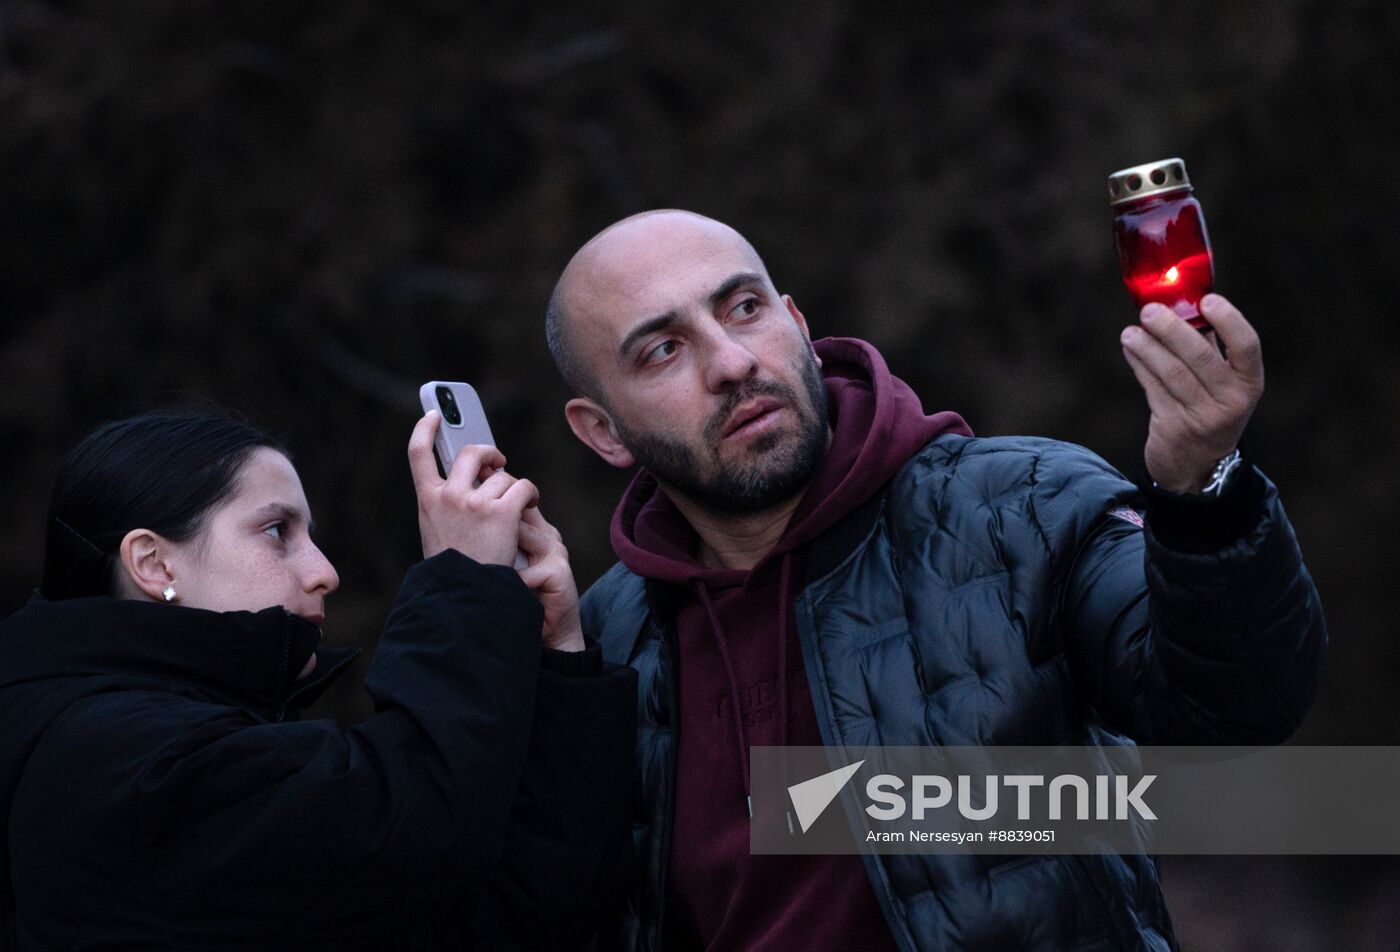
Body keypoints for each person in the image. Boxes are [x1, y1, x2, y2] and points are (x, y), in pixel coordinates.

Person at [544, 209, 1327, 951]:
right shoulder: (609, 640)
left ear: (798, 325)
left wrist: (1206, 493)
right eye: (663, 350)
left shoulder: (1021, 506)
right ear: (603, 430)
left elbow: (1233, 710)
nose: (732, 362)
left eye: (744, 308)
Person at [0, 408, 636, 951]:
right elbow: (417, 833)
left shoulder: (144, 737)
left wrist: (557, 654)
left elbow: (513, 917)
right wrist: (463, 580)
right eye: (278, 531)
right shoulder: (119, 761)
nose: (324, 571)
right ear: (153, 560)